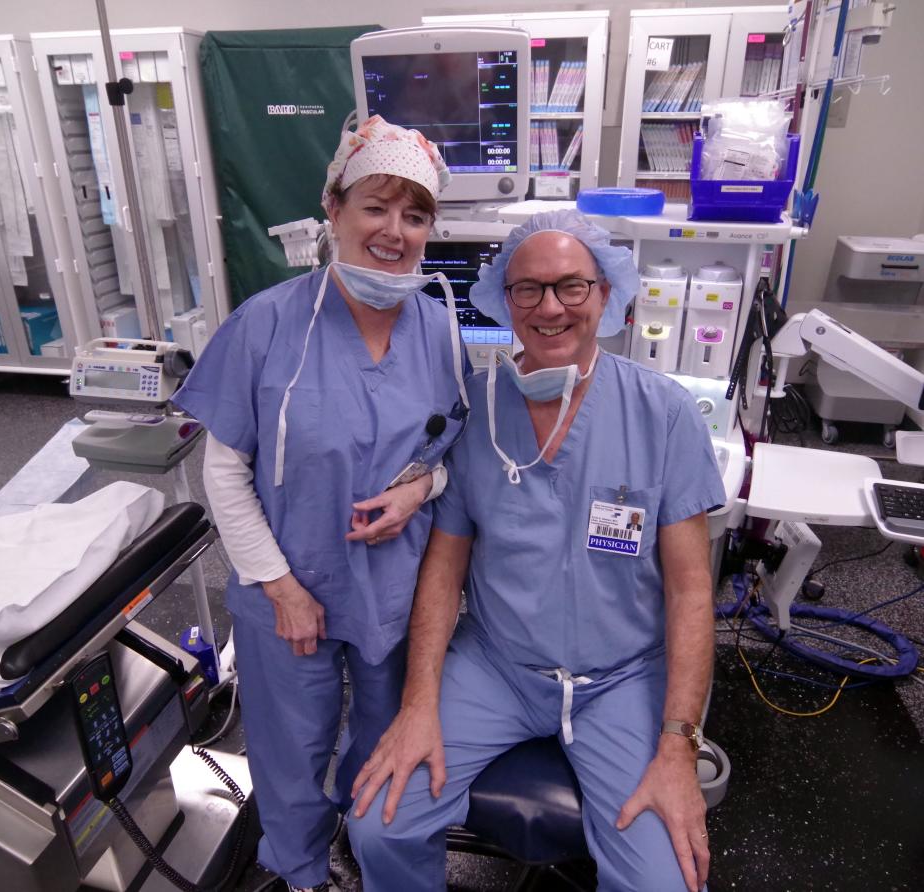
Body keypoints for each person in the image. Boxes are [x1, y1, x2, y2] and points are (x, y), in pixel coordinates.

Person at [348, 209, 726, 892]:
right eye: (528, 289)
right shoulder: (476, 415)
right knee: (378, 821)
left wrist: (677, 743)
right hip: (498, 666)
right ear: (504, 300)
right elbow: (443, 569)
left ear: (604, 294)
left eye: (570, 287)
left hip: (621, 677)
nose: (549, 308)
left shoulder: (661, 415)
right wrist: (417, 704)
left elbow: (690, 590)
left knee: (662, 883)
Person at [172, 116, 471, 892]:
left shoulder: (440, 330)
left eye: (415, 215)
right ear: (332, 208)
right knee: (288, 744)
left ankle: (365, 851)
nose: (394, 231)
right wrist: (279, 584)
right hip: (286, 588)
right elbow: (225, 473)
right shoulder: (267, 325)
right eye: (375, 207)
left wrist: (418, 491)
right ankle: (298, 869)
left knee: (384, 740)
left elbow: (453, 460)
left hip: (393, 589)